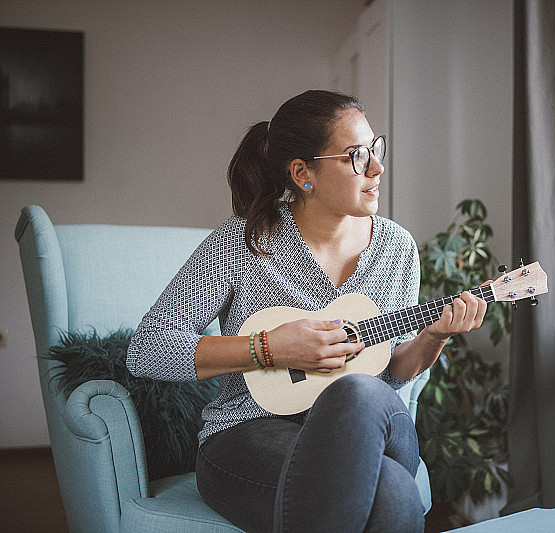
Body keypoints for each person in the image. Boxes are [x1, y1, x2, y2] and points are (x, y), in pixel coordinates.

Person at [127, 90, 487, 532]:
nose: (376, 167)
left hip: (366, 430)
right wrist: (268, 349)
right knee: (393, 491)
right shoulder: (243, 242)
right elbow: (147, 350)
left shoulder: (396, 249)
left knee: (360, 392)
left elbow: (391, 372)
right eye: (356, 156)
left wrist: (433, 337)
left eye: (376, 148)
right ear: (303, 173)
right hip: (246, 436)